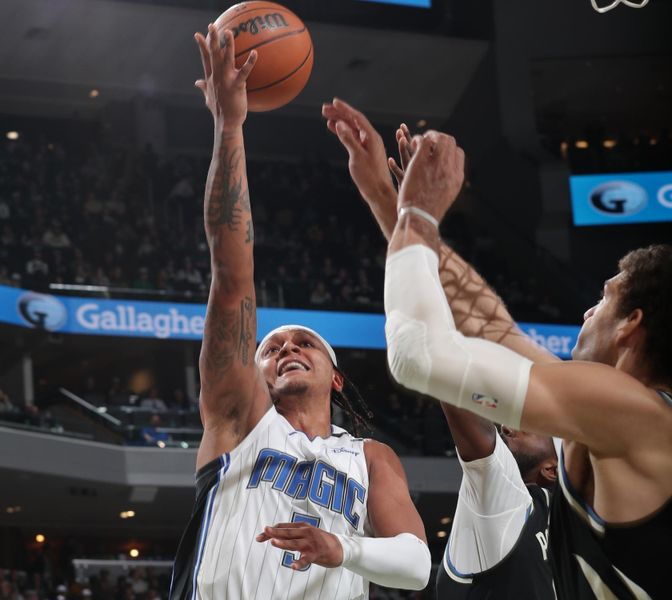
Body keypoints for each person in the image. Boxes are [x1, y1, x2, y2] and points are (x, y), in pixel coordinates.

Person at [169, 25, 431, 600]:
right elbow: (232, 276)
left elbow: (416, 564)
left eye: (304, 342)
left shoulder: (371, 456)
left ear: (336, 376)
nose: (286, 347)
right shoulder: (240, 418)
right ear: (255, 371)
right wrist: (229, 127)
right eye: (271, 346)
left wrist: (344, 549)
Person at [368, 114, 670, 599]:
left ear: (631, 324)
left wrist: (418, 218)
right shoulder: (609, 417)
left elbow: (419, 356)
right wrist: (403, 215)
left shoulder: (637, 415)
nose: (589, 309)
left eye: (606, 297)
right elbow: (490, 326)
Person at [324, 99, 559, 599]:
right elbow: (473, 331)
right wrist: (400, 208)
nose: (509, 420)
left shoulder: (552, 515)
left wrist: (408, 209)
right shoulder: (507, 501)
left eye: (528, 424)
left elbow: (442, 353)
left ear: (554, 469)